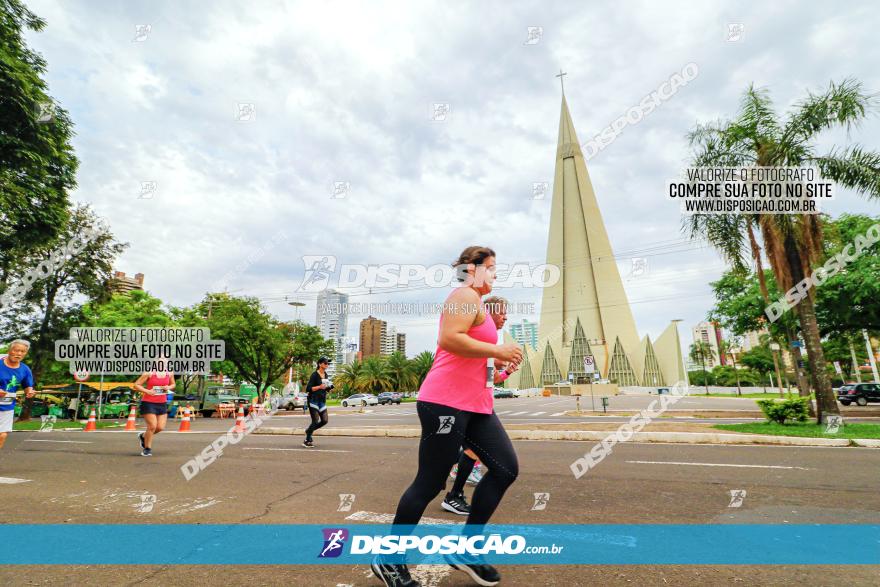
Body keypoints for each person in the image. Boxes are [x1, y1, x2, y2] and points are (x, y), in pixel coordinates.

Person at [371, 247, 523, 587]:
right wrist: (497, 350)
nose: (496, 275)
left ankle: (467, 548)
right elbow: (449, 339)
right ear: (474, 270)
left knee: (505, 469)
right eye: (492, 268)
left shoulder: (480, 307)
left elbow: (473, 361)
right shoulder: (463, 295)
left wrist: (497, 368)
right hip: (444, 403)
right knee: (429, 483)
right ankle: (390, 558)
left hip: (477, 406)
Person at [442, 296, 518, 516]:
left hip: (476, 406)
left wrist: (507, 371)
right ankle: (452, 493)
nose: (505, 317)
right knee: (465, 454)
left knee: (472, 452)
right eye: (502, 312)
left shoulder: (489, 345)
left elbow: (490, 378)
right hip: (460, 405)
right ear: (489, 312)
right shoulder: (477, 340)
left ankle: (453, 494)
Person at [0, 340, 37, 451]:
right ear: (9, 350)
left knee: (2, 435)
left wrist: (30, 392)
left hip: (7, 405)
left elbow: (27, 386)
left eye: (23, 351)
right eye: (16, 350)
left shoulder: (25, 369)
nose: (19, 354)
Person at [133, 360, 175, 457]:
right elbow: (136, 385)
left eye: (166, 359)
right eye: (161, 359)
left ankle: (143, 436)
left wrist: (168, 386)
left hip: (162, 403)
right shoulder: (149, 372)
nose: (163, 361)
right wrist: (147, 391)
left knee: (160, 427)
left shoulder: (169, 372)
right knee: (152, 426)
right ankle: (147, 448)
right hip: (148, 402)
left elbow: (173, 385)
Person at [303, 357, 333, 448]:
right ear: (320, 364)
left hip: (322, 400)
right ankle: (308, 439)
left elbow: (325, 387)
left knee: (324, 420)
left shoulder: (326, 375)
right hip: (313, 400)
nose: (327, 365)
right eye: (325, 363)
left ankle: (309, 431)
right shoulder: (314, 375)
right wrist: (319, 387)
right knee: (315, 421)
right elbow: (308, 389)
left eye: (328, 363)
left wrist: (329, 388)